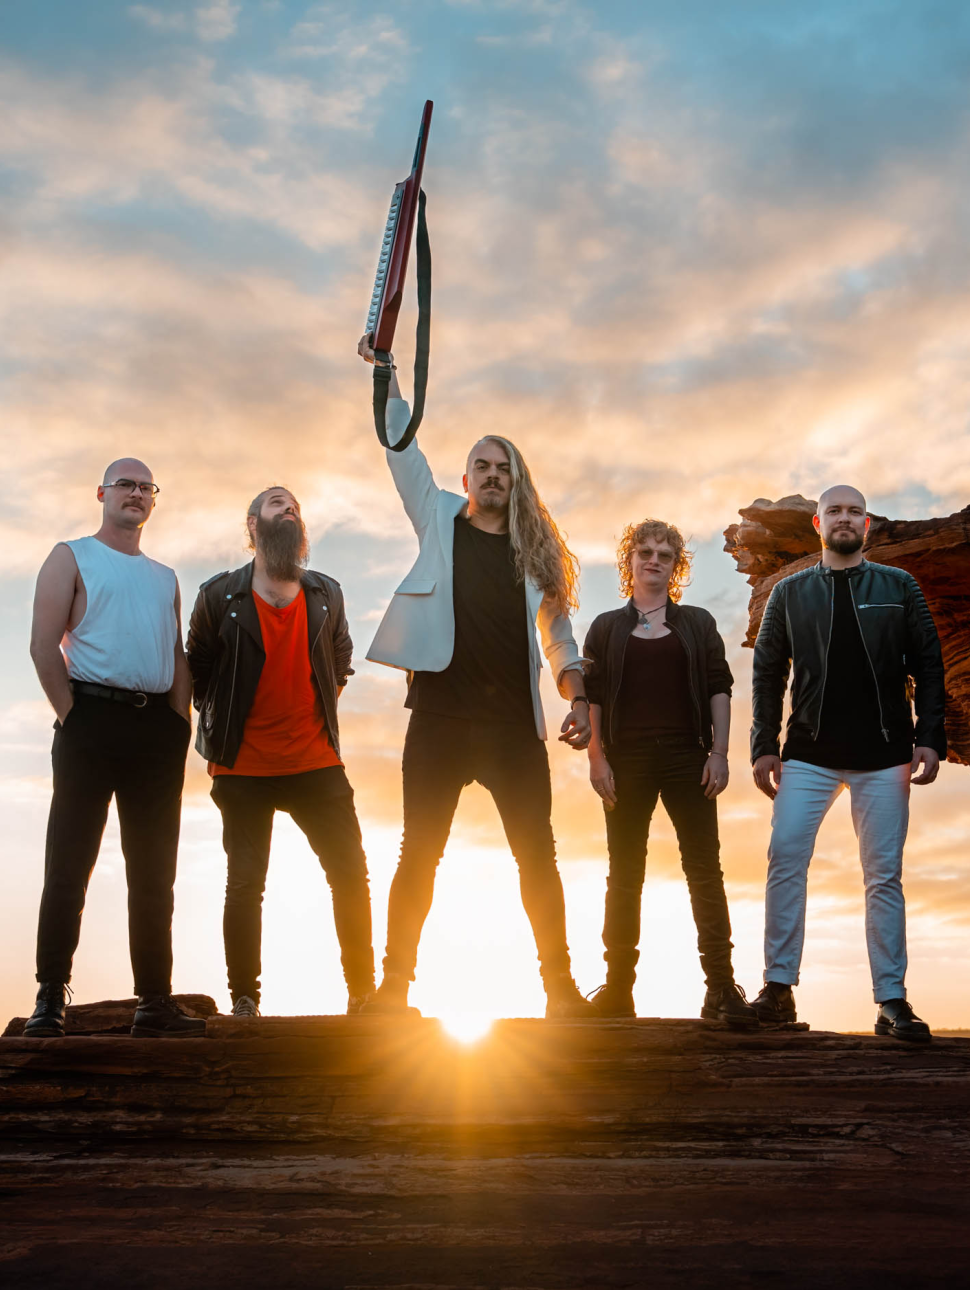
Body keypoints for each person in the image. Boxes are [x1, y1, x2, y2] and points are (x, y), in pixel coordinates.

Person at [357, 336, 596, 1019]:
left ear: (516, 483)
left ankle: (560, 990)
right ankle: (393, 990)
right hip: (439, 717)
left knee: (537, 859)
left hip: (514, 727)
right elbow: (401, 450)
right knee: (418, 854)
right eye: (481, 466)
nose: (492, 476)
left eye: (504, 468)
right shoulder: (437, 519)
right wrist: (386, 376)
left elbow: (560, 639)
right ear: (465, 480)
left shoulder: (536, 557)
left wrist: (577, 697)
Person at [750, 485, 946, 1042]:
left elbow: (930, 665)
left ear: (867, 526)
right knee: (785, 857)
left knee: (883, 876)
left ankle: (891, 1002)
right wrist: (764, 744)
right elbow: (767, 673)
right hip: (808, 754)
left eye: (854, 512)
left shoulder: (899, 586)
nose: (844, 518)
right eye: (834, 510)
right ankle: (779, 990)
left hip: (885, 755)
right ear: (818, 524)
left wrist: (930, 737)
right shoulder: (788, 593)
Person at [25, 459, 203, 1039]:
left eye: (146, 487)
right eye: (124, 484)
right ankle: (50, 997)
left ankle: (154, 1002)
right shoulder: (71, 555)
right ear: (102, 494)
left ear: (153, 501)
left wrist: (179, 722)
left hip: (156, 733)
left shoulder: (164, 577)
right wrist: (72, 718)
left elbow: (174, 654)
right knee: (69, 862)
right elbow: (42, 644)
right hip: (89, 721)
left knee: (155, 871)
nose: (135, 493)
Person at [186, 486, 375, 1018]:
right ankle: (245, 999)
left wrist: (319, 709)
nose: (288, 510)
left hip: (316, 761)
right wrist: (221, 726)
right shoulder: (219, 595)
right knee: (246, 883)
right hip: (241, 766)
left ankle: (363, 995)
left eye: (294, 506)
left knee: (350, 873)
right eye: (275, 504)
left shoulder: (325, 593)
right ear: (253, 525)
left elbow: (340, 655)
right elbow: (196, 666)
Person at [583, 520, 758, 1026]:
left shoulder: (698, 623)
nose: (654, 559)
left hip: (689, 758)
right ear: (630, 561)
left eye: (665, 553)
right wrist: (597, 758)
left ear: (676, 565)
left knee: (704, 871)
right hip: (626, 762)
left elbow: (718, 687)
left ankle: (721, 990)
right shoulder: (605, 627)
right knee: (625, 876)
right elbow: (592, 697)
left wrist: (720, 753)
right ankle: (618, 990)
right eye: (645, 551)